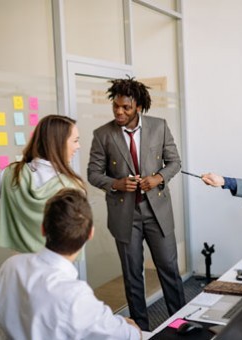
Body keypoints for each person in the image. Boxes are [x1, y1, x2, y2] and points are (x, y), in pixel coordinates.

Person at [87, 77, 185, 330]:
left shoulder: (159, 126)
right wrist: (116, 184)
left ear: (138, 107)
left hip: (157, 212)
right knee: (132, 276)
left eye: (126, 108)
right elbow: (93, 174)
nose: (119, 112)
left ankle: (180, 325)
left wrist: (158, 178)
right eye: (116, 107)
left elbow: (175, 162)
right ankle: (140, 330)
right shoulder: (102, 135)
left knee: (169, 270)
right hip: (125, 215)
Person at [0, 188, 142, 339]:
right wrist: (128, 327)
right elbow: (131, 336)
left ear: (43, 229)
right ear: (90, 234)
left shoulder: (10, 266)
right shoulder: (75, 296)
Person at [0, 114, 86, 253]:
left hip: (22, 265)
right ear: (58, 142)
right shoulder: (73, 186)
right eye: (75, 141)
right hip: (57, 265)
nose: (78, 146)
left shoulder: (12, 173)